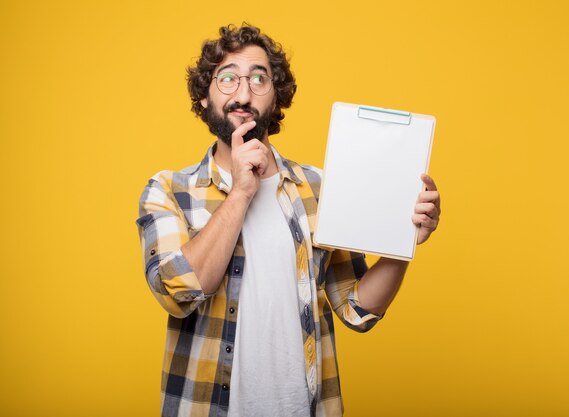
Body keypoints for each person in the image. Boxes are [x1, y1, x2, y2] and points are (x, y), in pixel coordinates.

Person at [137, 23, 441, 417]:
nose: (243, 93)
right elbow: (178, 293)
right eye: (227, 78)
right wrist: (242, 192)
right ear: (203, 99)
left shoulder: (318, 188)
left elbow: (356, 310)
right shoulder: (168, 190)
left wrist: (404, 241)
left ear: (277, 98)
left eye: (259, 79)